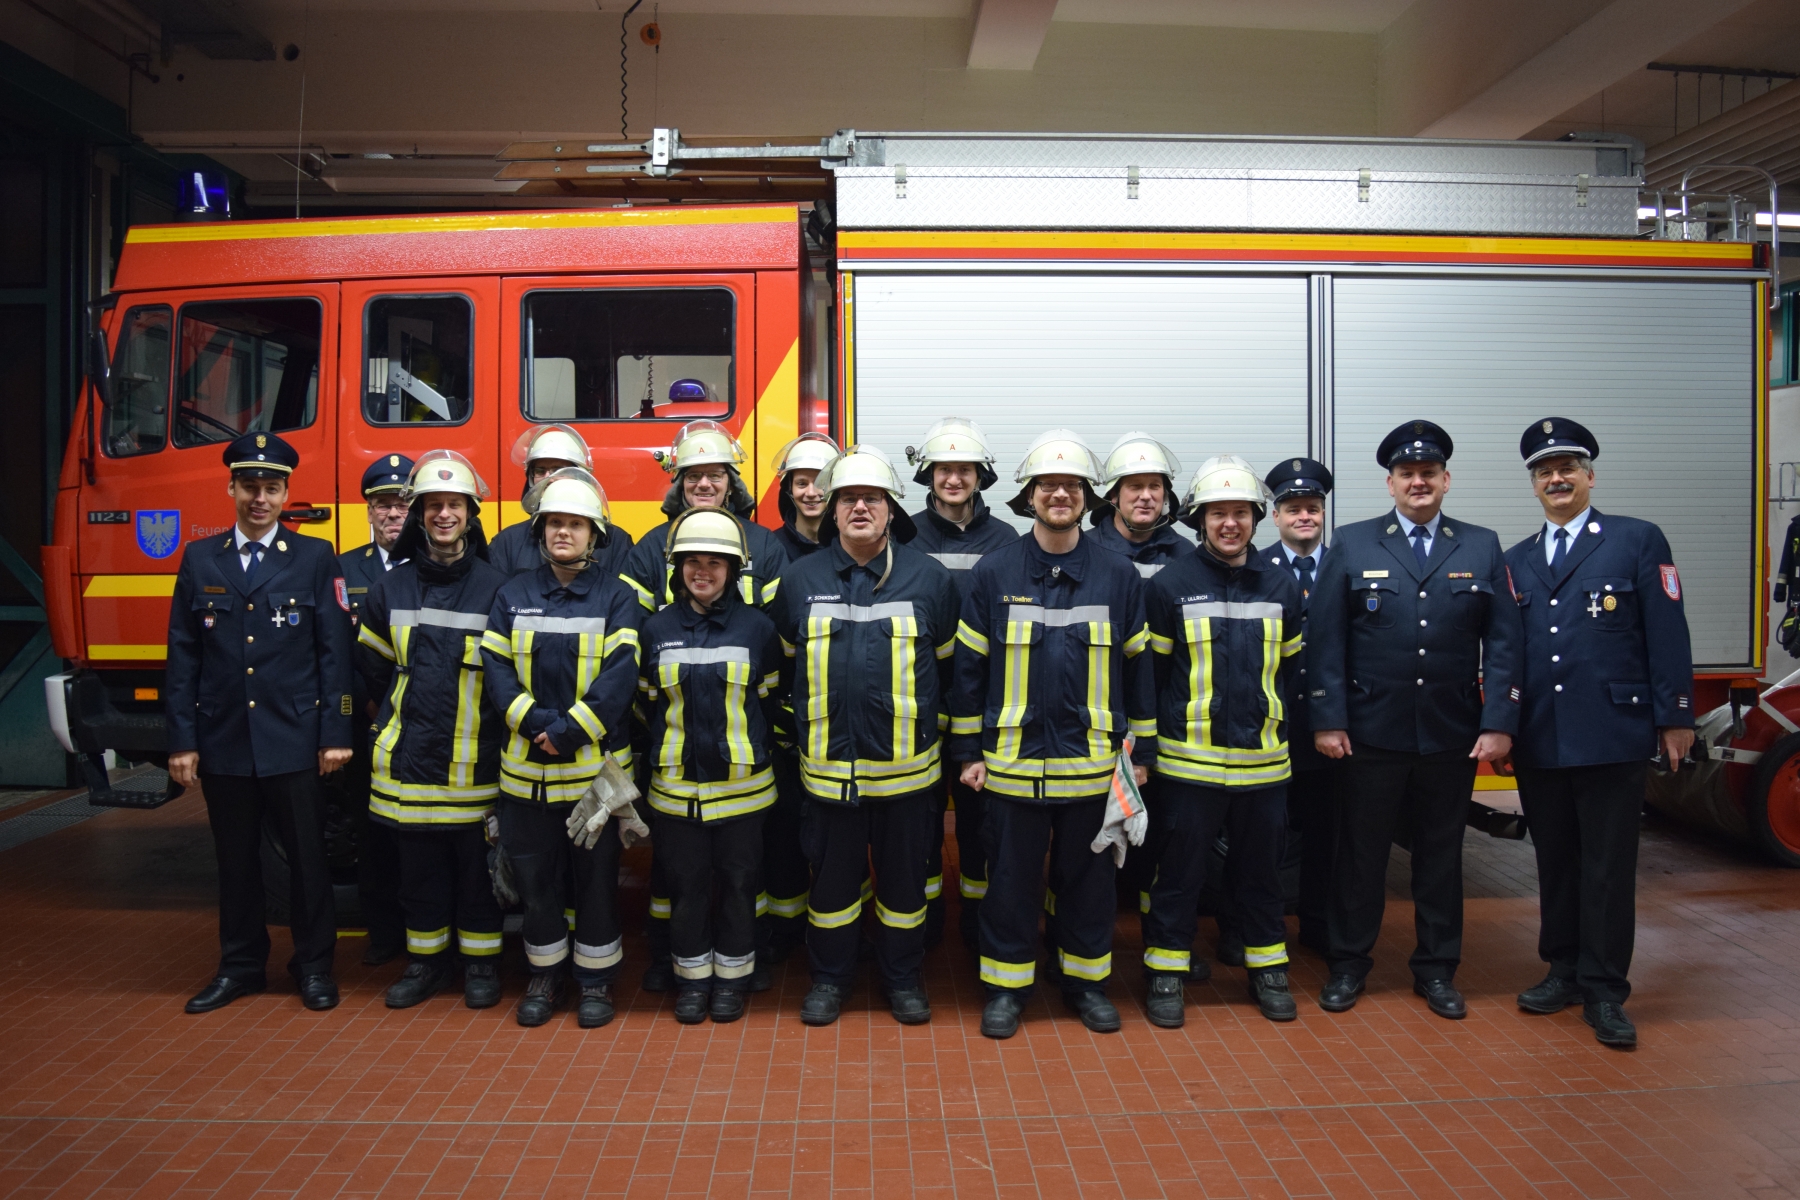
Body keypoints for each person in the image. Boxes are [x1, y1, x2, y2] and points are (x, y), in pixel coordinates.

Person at [1307, 421, 1522, 1020]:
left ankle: (1437, 970)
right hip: (1371, 732)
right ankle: (1349, 965)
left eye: (1429, 474)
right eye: (1407, 474)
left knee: (1439, 856)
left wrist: (1499, 719)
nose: (1418, 482)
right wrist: (1329, 718)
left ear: (1446, 481)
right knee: (1362, 856)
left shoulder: (1480, 545)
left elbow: (1503, 643)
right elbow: (1325, 639)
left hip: (1451, 733)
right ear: (1390, 483)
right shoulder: (1352, 542)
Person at [950, 429, 1157, 1039]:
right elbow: (969, 672)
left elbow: (1138, 670)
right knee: (1010, 884)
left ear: (1088, 497)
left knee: (1088, 883)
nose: (1059, 494)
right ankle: (1007, 990)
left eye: (1070, 485)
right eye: (1048, 485)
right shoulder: (994, 572)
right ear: (1029, 497)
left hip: (1092, 768)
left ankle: (1086, 985)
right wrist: (967, 752)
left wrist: (1139, 757)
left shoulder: (1119, 577)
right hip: (1010, 767)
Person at [1502, 418, 1694, 1048]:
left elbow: (1667, 633)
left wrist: (1676, 715)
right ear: (1533, 484)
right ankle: (1562, 970)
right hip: (1542, 735)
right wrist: (1503, 728)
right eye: (1543, 472)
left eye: (1567, 468)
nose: (1556, 479)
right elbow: (1507, 654)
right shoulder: (1516, 560)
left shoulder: (1636, 541)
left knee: (1609, 865)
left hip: (1614, 730)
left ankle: (1607, 989)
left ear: (1589, 476)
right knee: (1555, 860)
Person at [166, 432, 354, 1014]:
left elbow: (334, 653)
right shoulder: (202, 560)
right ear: (232, 489)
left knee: (306, 861)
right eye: (250, 487)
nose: (260, 499)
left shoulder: (314, 557)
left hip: (295, 739)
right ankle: (241, 966)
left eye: (271, 488)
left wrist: (335, 733)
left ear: (286, 493)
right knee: (236, 860)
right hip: (225, 740)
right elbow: (182, 655)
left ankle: (315, 967)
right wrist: (182, 741)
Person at [771, 445, 960, 1027]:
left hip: (907, 777)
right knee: (830, 891)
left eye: (871, 499)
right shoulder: (799, 579)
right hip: (828, 776)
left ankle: (902, 979)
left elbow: (949, 674)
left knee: (904, 892)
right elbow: (784, 672)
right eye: (848, 498)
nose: (859, 508)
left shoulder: (929, 578)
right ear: (830, 509)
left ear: (890, 508)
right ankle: (831, 979)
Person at [623, 419, 790, 992]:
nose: (703, 483)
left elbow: (772, 670)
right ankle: (676, 967)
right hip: (676, 753)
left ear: (730, 481)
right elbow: (639, 671)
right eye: (692, 474)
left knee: (743, 877)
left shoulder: (764, 544)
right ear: (679, 482)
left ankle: (745, 966)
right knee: (679, 880)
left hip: (740, 766)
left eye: (714, 473)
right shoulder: (652, 545)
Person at [1139, 456, 1302, 1027]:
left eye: (1239, 513)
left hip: (1264, 766)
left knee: (1262, 876)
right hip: (1189, 769)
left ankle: (1269, 970)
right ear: (1198, 519)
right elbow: (1152, 680)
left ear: (1256, 518)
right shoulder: (1170, 587)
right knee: (1179, 875)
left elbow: (1292, 675)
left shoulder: (1283, 586)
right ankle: (1165, 970)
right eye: (1217, 514)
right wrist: (1148, 753)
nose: (1228, 523)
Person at [481, 468, 643, 1028]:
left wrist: (567, 731)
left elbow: (620, 679)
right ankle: (545, 976)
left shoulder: (616, 598)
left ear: (594, 534)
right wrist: (534, 726)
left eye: (575, 524)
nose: (562, 533)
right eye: (553, 523)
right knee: (536, 883)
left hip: (590, 778)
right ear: (540, 530)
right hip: (524, 776)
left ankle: (595, 982)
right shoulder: (512, 594)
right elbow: (495, 670)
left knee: (597, 883)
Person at [356, 451, 509, 1011]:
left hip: (476, 768)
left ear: (471, 514)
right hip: (407, 767)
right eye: (434, 506)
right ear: (419, 514)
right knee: (417, 879)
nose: (445, 515)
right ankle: (424, 966)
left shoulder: (500, 590)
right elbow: (372, 670)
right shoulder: (387, 591)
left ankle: (482, 968)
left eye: (455, 505)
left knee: (478, 879)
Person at [903, 417, 1017, 950]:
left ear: (980, 476)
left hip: (986, 707)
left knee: (980, 826)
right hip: (919, 705)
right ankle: (923, 931)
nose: (954, 478)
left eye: (964, 469)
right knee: (922, 826)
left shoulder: (1006, 539)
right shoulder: (903, 534)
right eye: (945, 469)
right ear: (929, 474)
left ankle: (978, 927)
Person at [762, 433, 842, 959]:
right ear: (787, 489)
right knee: (786, 833)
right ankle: (787, 935)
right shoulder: (770, 550)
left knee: (839, 844)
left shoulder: (853, 547)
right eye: (800, 481)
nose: (810, 491)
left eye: (820, 481)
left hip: (842, 726)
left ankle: (841, 936)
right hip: (786, 725)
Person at [338, 453, 413, 966]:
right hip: (369, 722)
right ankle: (384, 936)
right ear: (368, 511)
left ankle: (428, 930)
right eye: (383, 505)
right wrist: (367, 705)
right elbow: (335, 649)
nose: (393, 516)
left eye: (402, 505)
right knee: (374, 833)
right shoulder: (343, 569)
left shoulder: (436, 567)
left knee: (427, 837)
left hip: (426, 726)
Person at [1261, 456, 1337, 956]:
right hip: (1270, 729)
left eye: (1312, 508)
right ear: (1276, 516)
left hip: (1329, 731)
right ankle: (1257, 926)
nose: (1303, 516)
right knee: (1262, 840)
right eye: (1293, 508)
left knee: (1326, 838)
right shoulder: (1254, 568)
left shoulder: (1346, 565)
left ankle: (1319, 926)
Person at [489, 424, 635, 578]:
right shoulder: (507, 542)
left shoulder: (616, 542)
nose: (548, 477)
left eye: (559, 469)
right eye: (540, 470)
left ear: (581, 476)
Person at [1086, 432, 1192, 578]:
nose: (1146, 496)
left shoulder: (1184, 554)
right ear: (1114, 495)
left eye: (1154, 486)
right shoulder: (1086, 549)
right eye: (1135, 486)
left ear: (1165, 495)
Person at [771, 432, 841, 559]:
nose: (811, 493)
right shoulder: (771, 547)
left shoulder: (849, 547)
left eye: (821, 484)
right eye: (802, 484)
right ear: (789, 488)